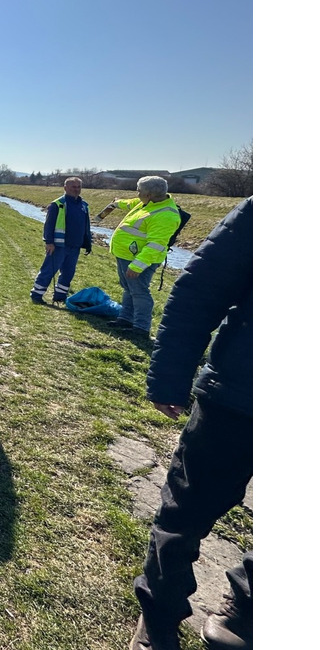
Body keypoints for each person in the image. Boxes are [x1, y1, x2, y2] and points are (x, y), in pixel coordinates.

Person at [128, 198, 252, 650]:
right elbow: (200, 292)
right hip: (240, 396)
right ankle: (159, 613)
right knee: (187, 510)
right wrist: (169, 377)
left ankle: (248, 604)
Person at [97, 176, 183, 338]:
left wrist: (138, 265)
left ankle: (141, 328)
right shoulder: (146, 202)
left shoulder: (166, 215)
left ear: (149, 194)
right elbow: (129, 203)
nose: (137, 194)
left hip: (137, 260)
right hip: (126, 255)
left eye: (139, 191)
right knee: (129, 288)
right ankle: (125, 319)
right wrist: (116, 203)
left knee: (139, 292)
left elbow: (156, 245)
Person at [30, 177, 93, 305]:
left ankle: (60, 296)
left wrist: (87, 243)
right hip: (58, 245)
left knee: (68, 272)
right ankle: (36, 294)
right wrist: (49, 242)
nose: (76, 189)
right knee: (48, 270)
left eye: (78, 187)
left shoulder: (84, 206)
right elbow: (49, 225)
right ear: (65, 188)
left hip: (75, 246)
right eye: (73, 187)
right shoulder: (58, 204)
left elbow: (86, 226)